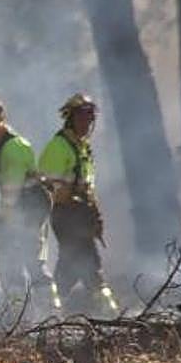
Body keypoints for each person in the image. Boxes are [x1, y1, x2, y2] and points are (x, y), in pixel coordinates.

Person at [0, 93, 59, 318]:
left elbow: (11, 192)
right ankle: (19, 317)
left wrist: (3, 225)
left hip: (31, 204)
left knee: (32, 259)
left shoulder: (13, 148)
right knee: (9, 261)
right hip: (17, 205)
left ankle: (51, 315)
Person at [38, 93, 119, 316]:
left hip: (81, 216)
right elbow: (47, 186)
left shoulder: (83, 148)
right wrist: (73, 197)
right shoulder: (59, 147)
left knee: (70, 267)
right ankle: (110, 316)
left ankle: (48, 313)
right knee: (90, 265)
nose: (87, 123)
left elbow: (87, 187)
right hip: (65, 216)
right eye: (82, 118)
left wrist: (95, 214)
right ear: (70, 118)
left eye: (90, 118)